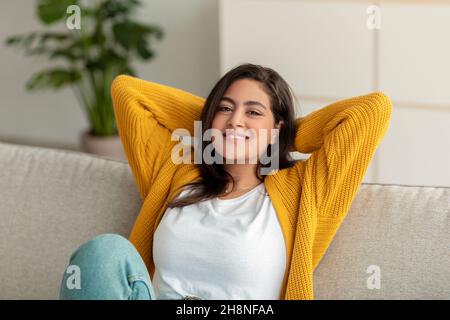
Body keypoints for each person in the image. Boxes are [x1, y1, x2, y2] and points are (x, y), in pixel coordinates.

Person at [59, 63, 392, 300]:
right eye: (225, 108)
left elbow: (371, 111)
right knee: (104, 253)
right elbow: (127, 92)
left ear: (277, 127)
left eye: (253, 111)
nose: (235, 119)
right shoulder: (176, 175)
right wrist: (215, 125)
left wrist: (281, 135)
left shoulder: (302, 191)